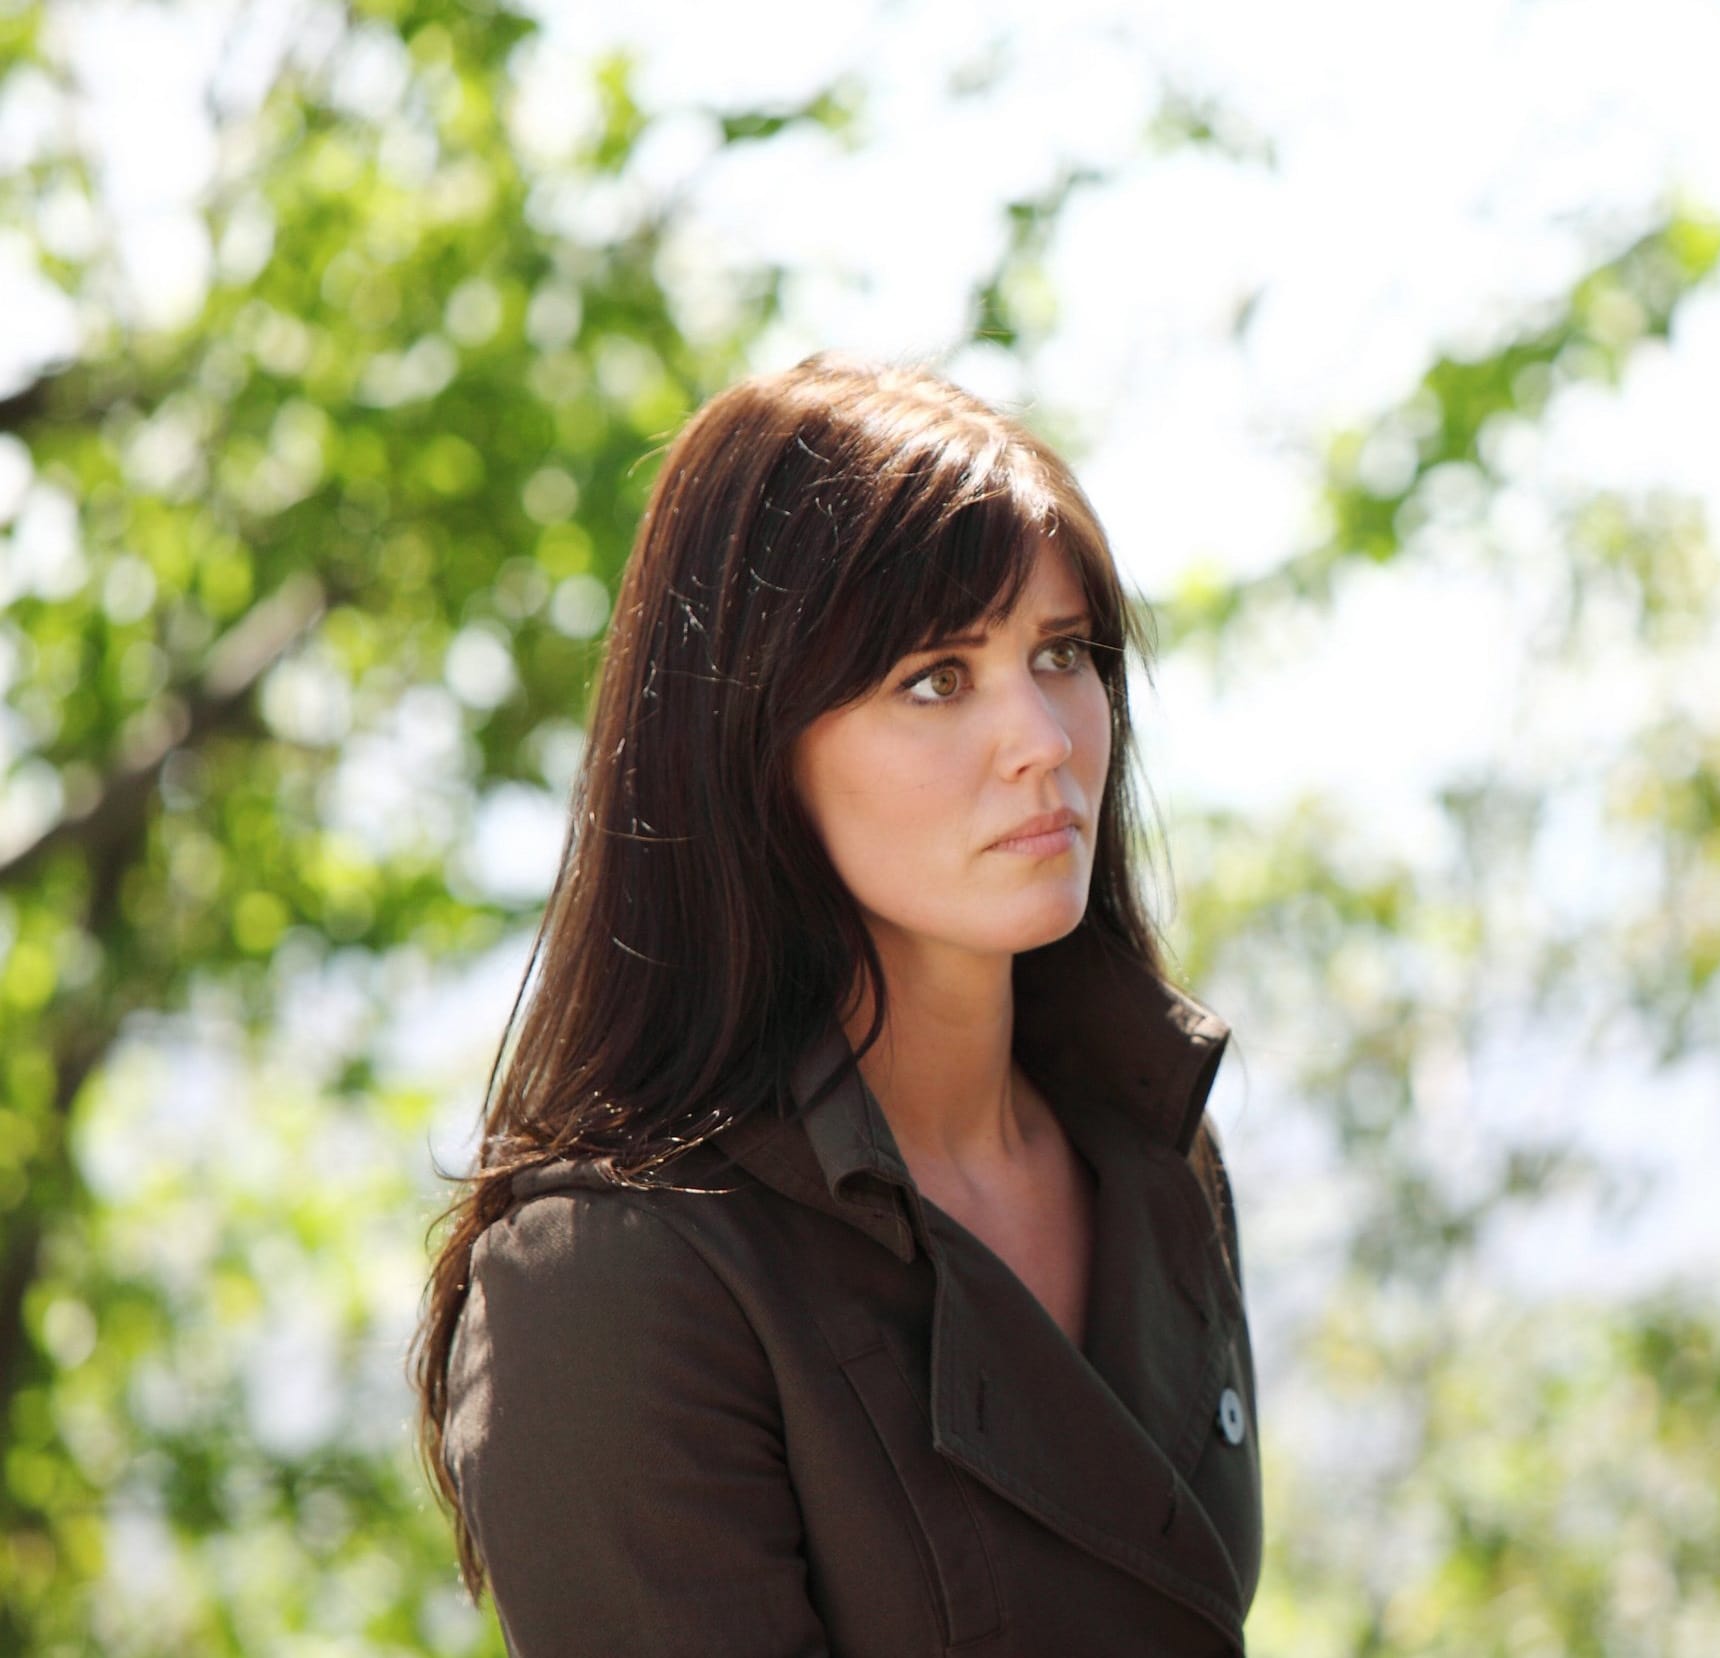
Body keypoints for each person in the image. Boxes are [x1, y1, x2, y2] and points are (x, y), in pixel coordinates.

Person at [412, 355, 1260, 1655]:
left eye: (1062, 653)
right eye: (937, 678)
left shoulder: (1154, 1146)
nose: (1044, 739)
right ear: (752, 743)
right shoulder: (611, 1279)